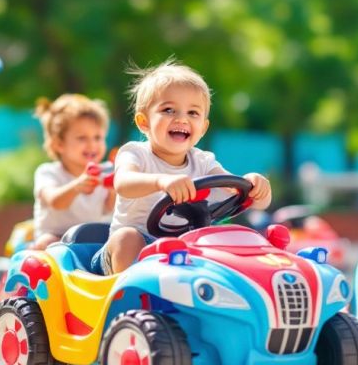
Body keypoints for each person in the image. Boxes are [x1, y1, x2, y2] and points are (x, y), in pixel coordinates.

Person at [91, 60, 273, 275]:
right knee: (127, 238)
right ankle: (126, 295)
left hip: (184, 252)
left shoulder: (204, 161)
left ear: (203, 128)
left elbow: (235, 189)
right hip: (134, 248)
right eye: (168, 110)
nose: (181, 119)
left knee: (231, 237)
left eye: (193, 113)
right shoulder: (135, 153)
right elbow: (123, 183)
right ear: (143, 122)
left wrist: (255, 186)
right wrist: (161, 181)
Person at [31, 94, 115, 250]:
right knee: (47, 243)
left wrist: (113, 188)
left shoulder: (105, 171)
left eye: (98, 137)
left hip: (91, 236)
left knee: (117, 240)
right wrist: (77, 186)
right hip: (57, 235)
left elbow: (110, 207)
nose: (92, 144)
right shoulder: (48, 172)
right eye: (82, 138)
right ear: (59, 144)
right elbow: (55, 202)